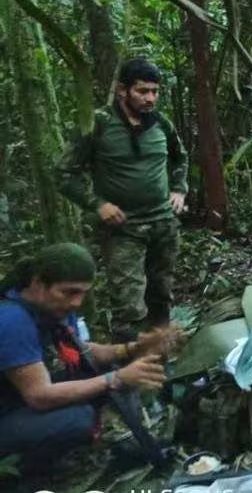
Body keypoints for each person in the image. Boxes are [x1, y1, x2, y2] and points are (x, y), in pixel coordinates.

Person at [0, 243, 179, 471]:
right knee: (77, 419)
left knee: (113, 370)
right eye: (69, 292)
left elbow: (82, 351)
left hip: (26, 396)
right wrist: (117, 378)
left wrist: (134, 348)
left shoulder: (53, 307)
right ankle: (32, 471)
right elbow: (39, 396)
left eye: (83, 293)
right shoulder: (11, 320)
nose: (77, 302)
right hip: (10, 411)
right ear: (38, 283)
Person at [58, 57, 188, 341]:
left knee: (162, 296)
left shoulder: (161, 124)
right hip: (123, 228)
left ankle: (159, 362)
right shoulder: (97, 124)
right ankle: (131, 373)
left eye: (155, 91)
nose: (150, 98)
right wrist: (98, 205)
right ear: (122, 91)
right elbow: (65, 174)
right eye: (142, 91)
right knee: (129, 307)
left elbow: (180, 158)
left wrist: (179, 189)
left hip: (163, 224)